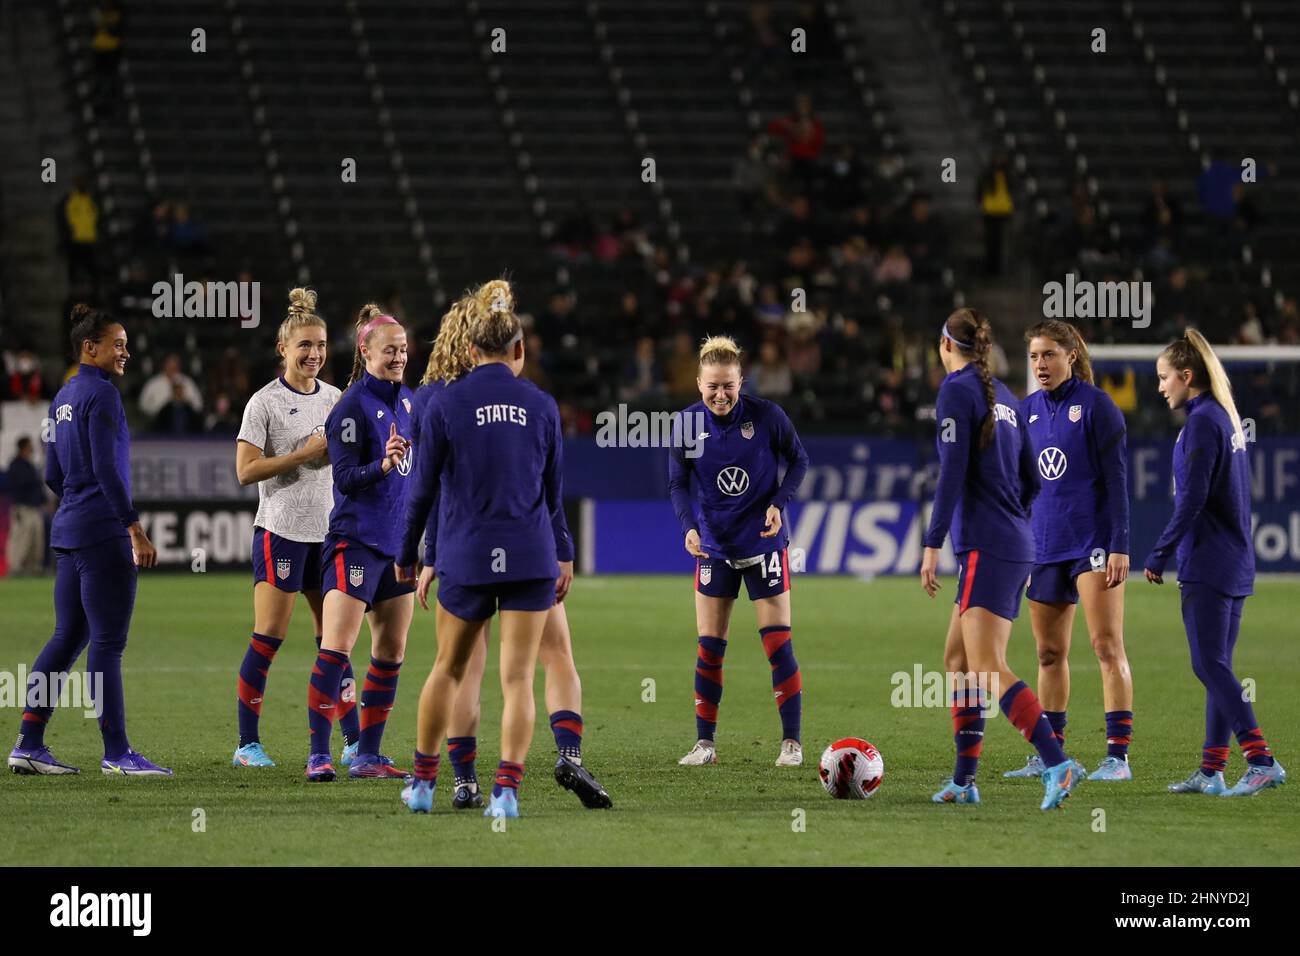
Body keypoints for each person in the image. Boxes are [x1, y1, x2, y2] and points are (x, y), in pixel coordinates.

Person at [401, 282, 610, 811]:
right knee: (519, 677)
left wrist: (413, 554)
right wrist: (563, 553)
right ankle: (507, 793)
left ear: (470, 348)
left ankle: (429, 784)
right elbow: (552, 492)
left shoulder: (442, 403)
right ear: (519, 349)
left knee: (451, 668)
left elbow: (422, 490)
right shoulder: (541, 405)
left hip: (465, 553)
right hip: (530, 553)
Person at [920, 308, 1083, 810]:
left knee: (988, 667)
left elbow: (950, 475)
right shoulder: (1009, 398)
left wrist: (932, 542)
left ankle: (1057, 764)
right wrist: (1012, 519)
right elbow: (1034, 478)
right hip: (1016, 542)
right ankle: (965, 781)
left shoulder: (955, 391)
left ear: (945, 346)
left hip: (988, 547)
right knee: (958, 660)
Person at [7, 304, 169, 776]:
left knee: (66, 636)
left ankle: (28, 742)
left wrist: (79, 502)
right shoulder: (103, 396)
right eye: (117, 345)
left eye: (125, 344)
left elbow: (53, 474)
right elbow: (107, 469)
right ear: (89, 347)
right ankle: (117, 754)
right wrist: (132, 526)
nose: (126, 352)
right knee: (107, 643)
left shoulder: (61, 398)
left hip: (70, 530)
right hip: (102, 532)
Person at [1144, 331, 1286, 797]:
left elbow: (1194, 499)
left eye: (1165, 378)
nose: (1160, 387)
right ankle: (1211, 768)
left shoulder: (1204, 423)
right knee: (1217, 664)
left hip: (1209, 560)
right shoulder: (1221, 417)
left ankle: (1260, 758)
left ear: (1188, 376)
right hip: (1234, 559)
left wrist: (1161, 550)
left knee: (1208, 663)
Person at [231, 289, 361, 768]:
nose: (314, 354)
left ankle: (353, 741)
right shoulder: (263, 403)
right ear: (282, 349)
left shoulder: (336, 399)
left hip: (330, 535)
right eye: (304, 345)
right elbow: (245, 471)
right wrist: (303, 455)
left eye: (321, 345)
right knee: (269, 635)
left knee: (336, 639)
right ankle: (247, 745)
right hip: (282, 531)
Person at [668, 336, 810, 768]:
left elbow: (799, 461)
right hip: (713, 547)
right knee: (710, 649)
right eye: (712, 386)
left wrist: (777, 505)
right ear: (698, 384)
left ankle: (791, 744)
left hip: (764, 545)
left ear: (741, 381)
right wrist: (689, 527)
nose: (720, 394)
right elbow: (677, 483)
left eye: (728, 385)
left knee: (778, 646)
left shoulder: (768, 417)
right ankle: (705, 745)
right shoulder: (687, 425)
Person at [1007, 321, 1134, 782]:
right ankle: (1051, 754)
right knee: (1047, 653)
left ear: (1071, 356)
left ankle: (1117, 758)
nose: (1040, 364)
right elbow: (1021, 488)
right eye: (1035, 356)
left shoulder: (1099, 408)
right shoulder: (1025, 413)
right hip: (1044, 545)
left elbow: (1119, 481)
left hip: (1092, 543)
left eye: (1049, 355)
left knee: (1105, 645)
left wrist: (1120, 544)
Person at [303, 304, 416, 782]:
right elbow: (346, 478)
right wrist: (384, 465)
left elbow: (416, 478)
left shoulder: (408, 402)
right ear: (365, 352)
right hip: (356, 543)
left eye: (404, 350)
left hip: (397, 549)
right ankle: (318, 755)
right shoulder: (350, 407)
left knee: (390, 652)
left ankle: (368, 754)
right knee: (336, 647)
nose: (399, 358)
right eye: (390, 350)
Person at [6, 437, 47, 575]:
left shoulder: (30, 464)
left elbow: (37, 487)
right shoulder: (16, 464)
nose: (32, 449)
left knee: (36, 539)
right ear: (23, 447)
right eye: (30, 446)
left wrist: (43, 500)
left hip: (34, 508)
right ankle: (15, 568)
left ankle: (33, 568)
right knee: (21, 538)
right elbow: (21, 484)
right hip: (22, 507)